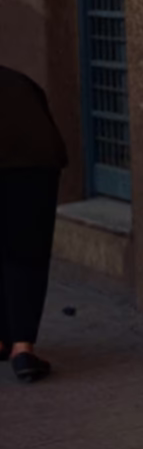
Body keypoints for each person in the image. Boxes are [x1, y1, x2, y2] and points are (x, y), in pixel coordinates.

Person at [0, 66, 67, 382]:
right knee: (27, 255)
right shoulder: (18, 80)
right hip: (36, 168)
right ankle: (22, 349)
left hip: (31, 162)